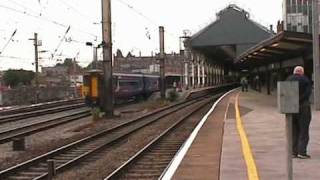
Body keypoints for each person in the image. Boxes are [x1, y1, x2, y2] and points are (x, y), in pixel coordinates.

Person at [287, 66, 312, 159]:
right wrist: (299, 100)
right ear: (302, 72)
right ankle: (302, 152)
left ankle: (294, 152)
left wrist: (293, 101)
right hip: (303, 107)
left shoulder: (288, 79)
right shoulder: (305, 80)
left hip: (291, 107)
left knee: (294, 130)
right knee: (304, 129)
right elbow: (308, 93)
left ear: (294, 72)